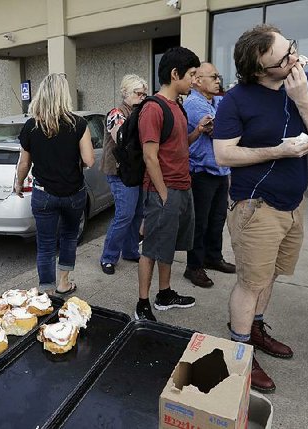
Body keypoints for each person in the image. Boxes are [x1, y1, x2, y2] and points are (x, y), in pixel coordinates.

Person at [213, 25, 308, 392]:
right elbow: (223, 154)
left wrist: (301, 97)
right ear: (257, 70)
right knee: (251, 283)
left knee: (270, 277)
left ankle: (255, 328)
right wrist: (278, 151)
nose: (294, 58)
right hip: (255, 206)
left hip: (292, 205)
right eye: (284, 58)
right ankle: (241, 353)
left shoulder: (306, 82)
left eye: (292, 48)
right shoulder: (237, 99)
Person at [135, 47, 210, 322]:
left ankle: (164, 293)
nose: (194, 80)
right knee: (152, 248)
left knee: (168, 246)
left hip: (182, 187)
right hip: (163, 191)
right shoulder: (153, 109)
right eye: (191, 75)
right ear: (175, 74)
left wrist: (198, 132)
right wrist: (164, 195)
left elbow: (178, 146)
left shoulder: (177, 106)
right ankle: (142, 303)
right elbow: (150, 157)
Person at [15, 73, 94, 294]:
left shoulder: (31, 126)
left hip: (43, 194)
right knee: (69, 236)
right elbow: (89, 160)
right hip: (73, 193)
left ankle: (46, 292)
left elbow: (24, 163)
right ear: (64, 96)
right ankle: (64, 283)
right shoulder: (79, 124)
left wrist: (18, 184)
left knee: (46, 244)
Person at [182, 62, 236, 289]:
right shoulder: (194, 103)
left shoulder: (216, 101)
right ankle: (193, 267)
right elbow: (220, 133)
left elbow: (234, 121)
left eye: (218, 76)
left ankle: (213, 257)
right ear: (197, 81)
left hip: (220, 171)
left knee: (217, 220)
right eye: (213, 77)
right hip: (202, 173)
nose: (218, 80)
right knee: (200, 223)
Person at [99, 74, 148, 275]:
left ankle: (130, 250)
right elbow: (122, 138)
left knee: (137, 213)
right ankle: (108, 257)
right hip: (120, 172)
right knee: (124, 214)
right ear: (126, 93)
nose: (142, 97)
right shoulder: (116, 113)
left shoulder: (139, 112)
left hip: (134, 171)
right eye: (138, 93)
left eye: (145, 94)